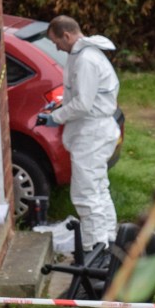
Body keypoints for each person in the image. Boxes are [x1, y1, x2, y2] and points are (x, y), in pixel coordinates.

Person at [39, 15, 121, 249]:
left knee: (86, 194)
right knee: (97, 188)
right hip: (94, 130)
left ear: (67, 35)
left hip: (92, 133)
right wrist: (59, 106)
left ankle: (95, 249)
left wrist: (55, 117)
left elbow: (83, 104)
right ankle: (108, 240)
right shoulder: (85, 56)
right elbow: (81, 95)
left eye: (57, 42)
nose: (56, 47)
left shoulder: (86, 60)